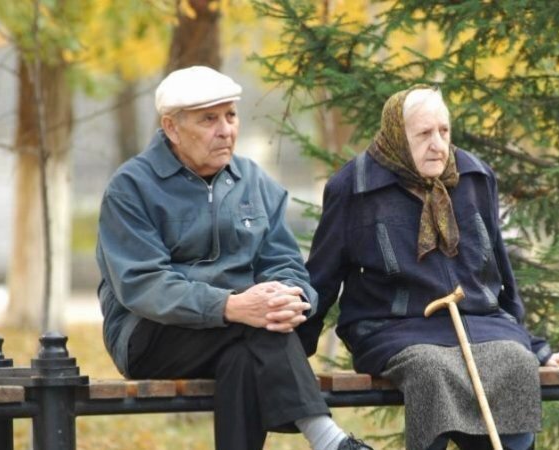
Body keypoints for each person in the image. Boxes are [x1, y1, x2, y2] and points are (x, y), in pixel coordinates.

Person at [95, 65, 372, 450]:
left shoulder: (254, 181)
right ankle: (329, 440)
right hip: (148, 334)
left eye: (231, 115)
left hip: (241, 330)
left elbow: (285, 263)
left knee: (243, 356)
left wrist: (291, 297)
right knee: (256, 327)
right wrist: (231, 306)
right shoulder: (131, 188)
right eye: (209, 119)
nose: (225, 130)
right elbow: (144, 285)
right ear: (172, 128)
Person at [299, 86, 559, 450]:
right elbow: (322, 276)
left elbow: (500, 272)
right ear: (398, 135)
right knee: (431, 368)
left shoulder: (475, 176)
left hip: (479, 321)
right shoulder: (354, 186)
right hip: (391, 326)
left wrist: (534, 346)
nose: (438, 145)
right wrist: (295, 352)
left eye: (444, 131)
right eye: (424, 134)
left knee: (515, 360)